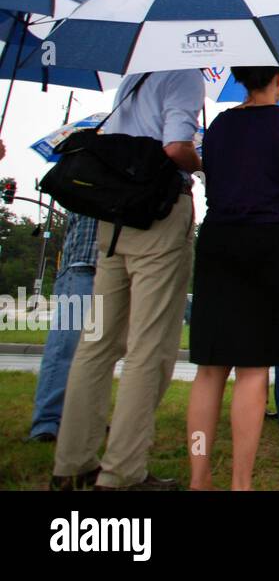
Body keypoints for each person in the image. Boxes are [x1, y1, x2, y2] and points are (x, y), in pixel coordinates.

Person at [52, 68, 203, 491]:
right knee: (149, 347)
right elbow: (175, 147)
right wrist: (202, 166)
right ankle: (123, 472)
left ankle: (73, 462)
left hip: (114, 222)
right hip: (157, 218)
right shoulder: (184, 77)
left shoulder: (135, 76)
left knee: (96, 345)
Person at [186, 66, 279, 490]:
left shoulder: (220, 124)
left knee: (209, 369)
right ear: (278, 78)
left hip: (218, 237)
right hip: (268, 240)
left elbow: (211, 181)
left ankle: (199, 477)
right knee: (254, 367)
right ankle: (241, 482)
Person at [28, 212, 99, 442]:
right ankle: (47, 422)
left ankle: (83, 418)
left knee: (97, 351)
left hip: (110, 266)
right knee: (65, 347)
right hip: (82, 265)